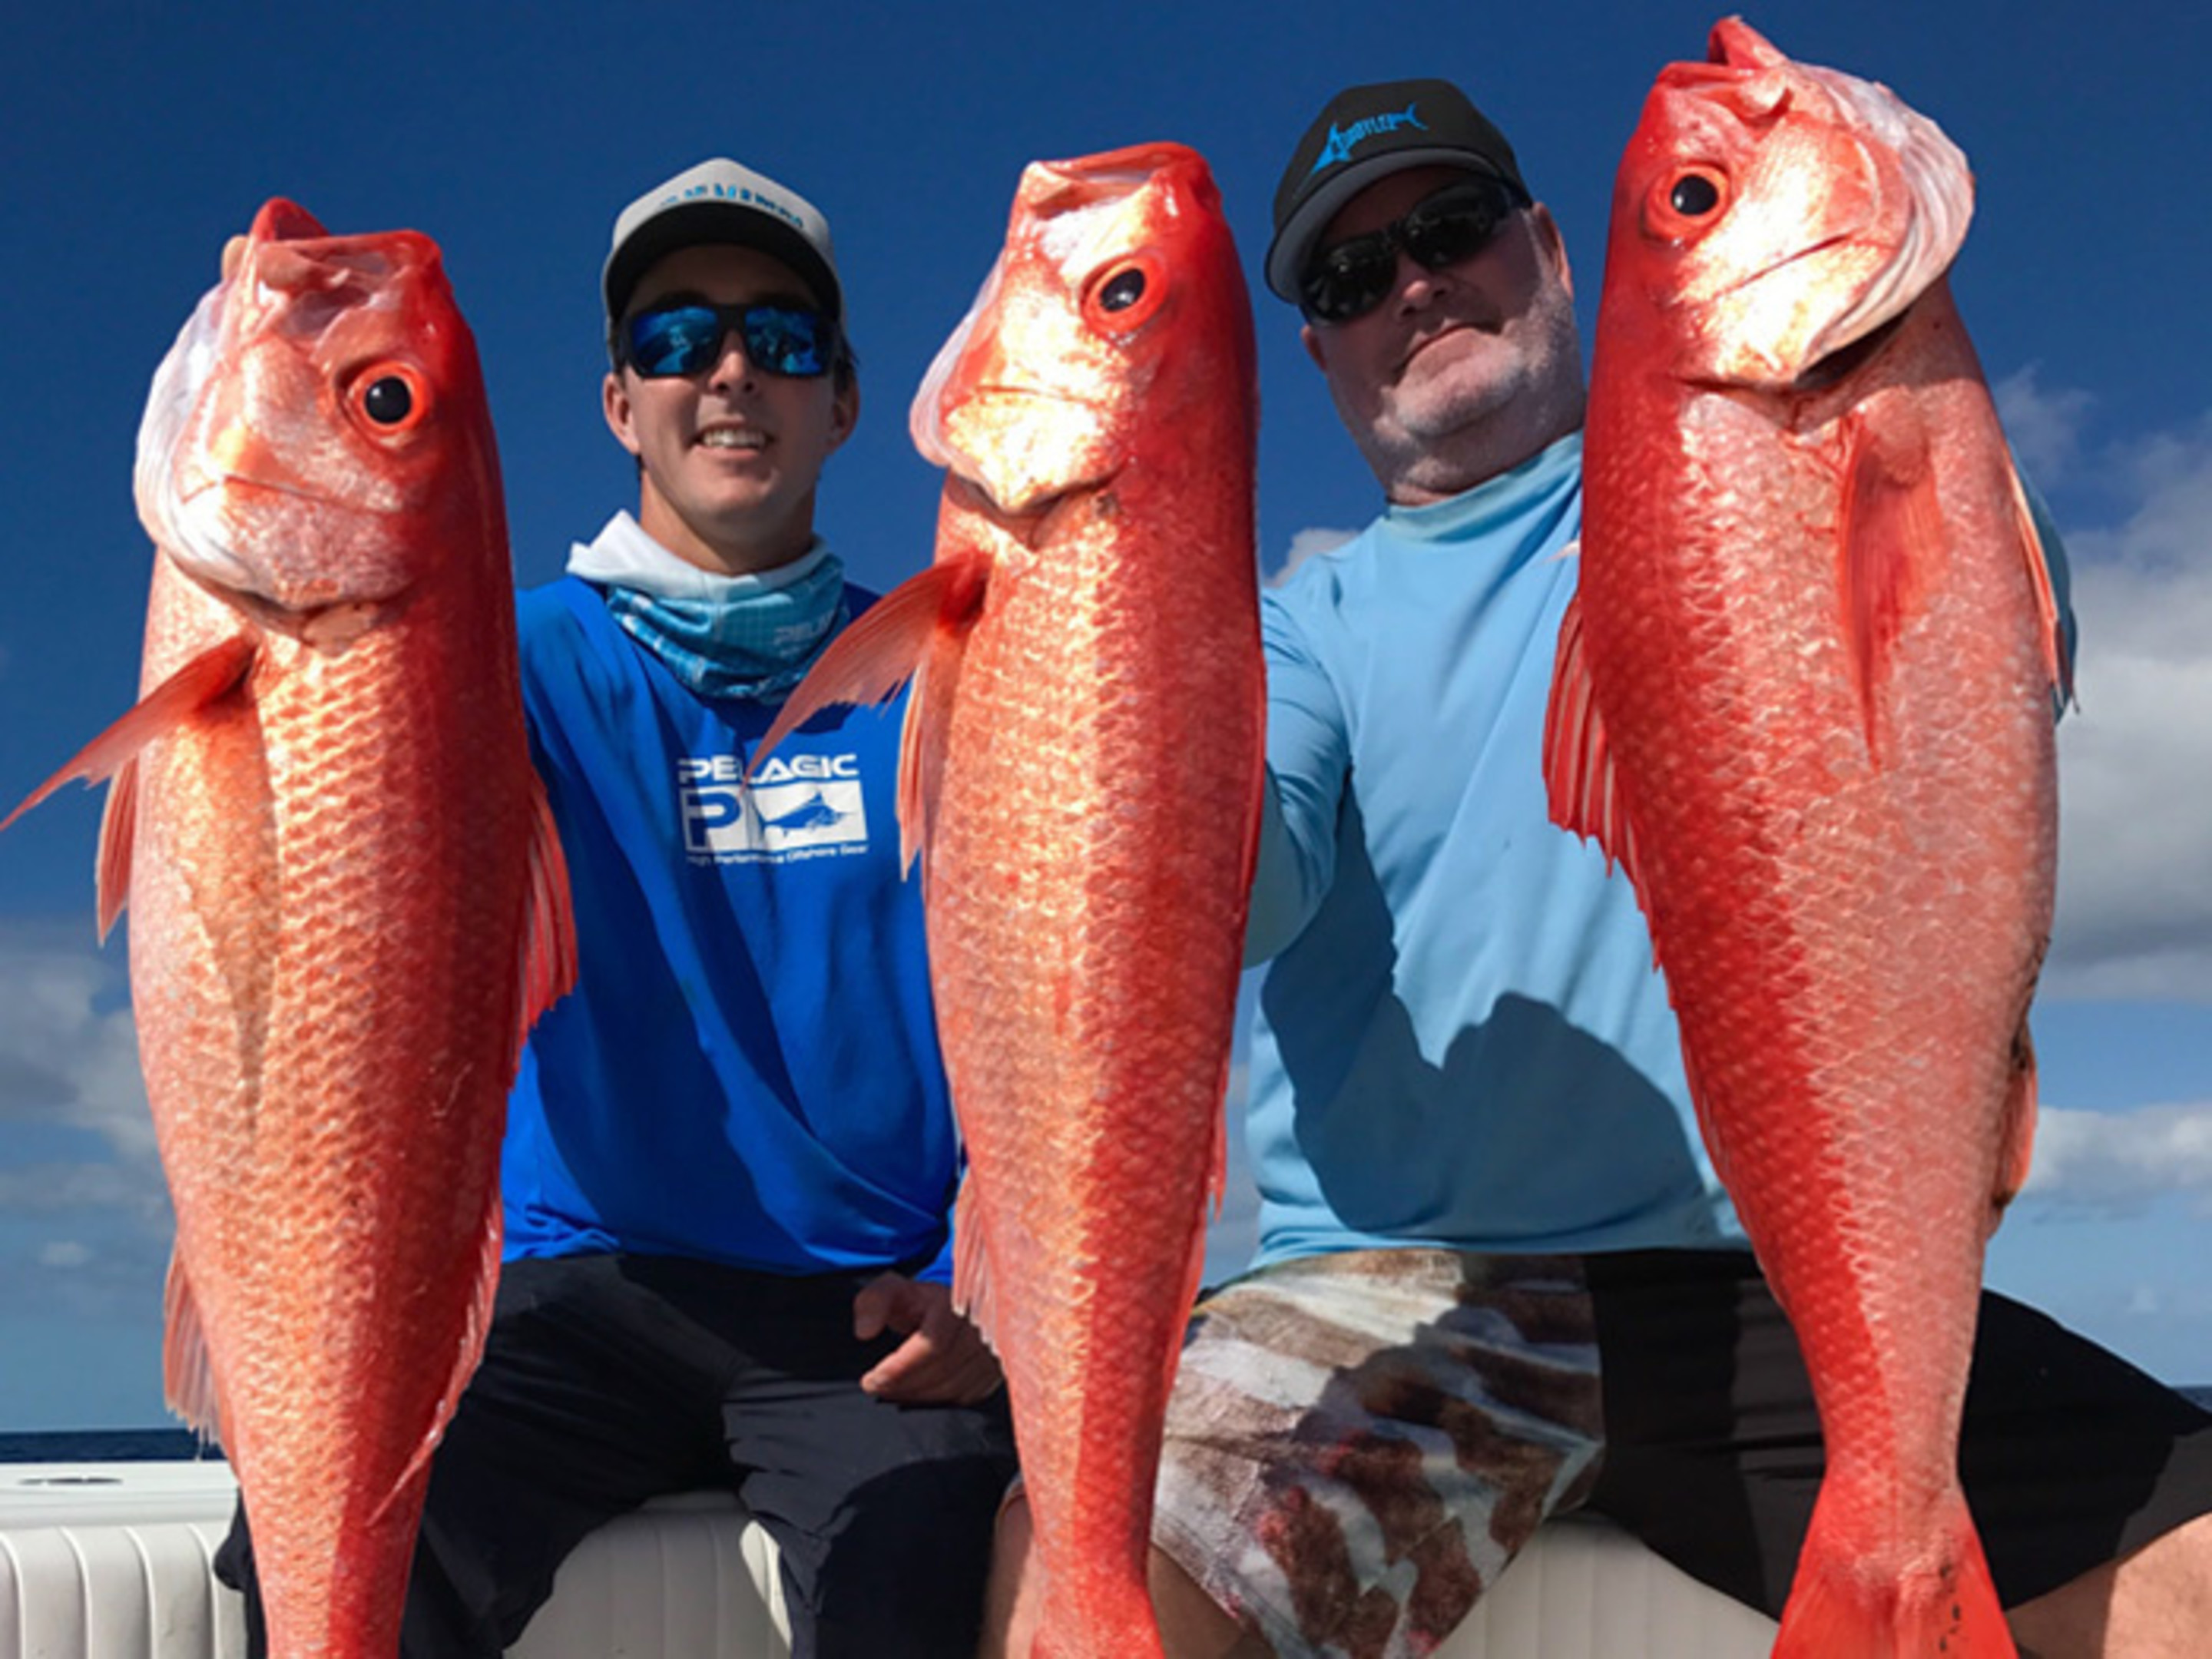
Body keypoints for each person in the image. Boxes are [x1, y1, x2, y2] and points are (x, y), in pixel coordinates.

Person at [981, 80, 2212, 1659]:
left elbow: (1990, 678)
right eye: (1351, 282)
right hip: (1386, 1295)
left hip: (1766, 1284)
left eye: (1449, 231)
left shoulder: (1769, 460)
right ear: (1318, 358)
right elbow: (1232, 890)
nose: (1413, 286)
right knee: (1076, 1588)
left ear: (1553, 249)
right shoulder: (1288, 633)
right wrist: (1067, 727)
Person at [217, 156, 1017, 1658]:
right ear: (618, 405)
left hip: (861, 1316)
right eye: (674, 341)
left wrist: (993, 1277)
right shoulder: (474, 658)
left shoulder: (947, 670)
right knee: (323, 1542)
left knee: (926, 1552)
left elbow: (1050, 991)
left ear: (844, 403)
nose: (727, 374)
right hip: (572, 1292)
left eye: (779, 341)